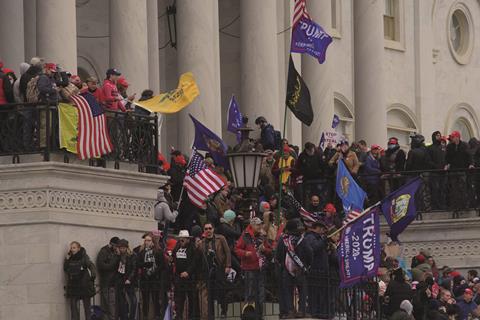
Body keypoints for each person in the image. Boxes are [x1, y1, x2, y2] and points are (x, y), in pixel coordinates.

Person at [235, 217, 272, 319]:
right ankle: (248, 316)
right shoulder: (245, 236)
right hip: (248, 268)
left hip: (261, 268)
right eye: (258, 224)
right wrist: (245, 253)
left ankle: (259, 316)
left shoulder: (263, 236)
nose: (260, 226)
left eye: (261, 224)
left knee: (261, 293)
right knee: (249, 293)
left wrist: (265, 249)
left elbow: (270, 250)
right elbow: (237, 249)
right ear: (252, 225)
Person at [199, 223, 232, 319]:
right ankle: (211, 314)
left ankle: (223, 310)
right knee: (209, 292)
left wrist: (228, 265)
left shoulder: (220, 238)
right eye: (206, 229)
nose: (208, 230)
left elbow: (227, 252)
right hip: (208, 270)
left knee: (221, 290)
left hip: (219, 267)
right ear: (204, 230)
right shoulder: (202, 242)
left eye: (210, 228)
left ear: (213, 229)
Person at [64, 241, 96, 320]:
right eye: (71, 248)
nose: (72, 249)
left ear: (78, 248)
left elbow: (91, 266)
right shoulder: (70, 258)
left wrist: (92, 277)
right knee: (74, 307)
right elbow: (65, 269)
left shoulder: (84, 256)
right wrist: (67, 260)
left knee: (87, 307)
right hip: (74, 285)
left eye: (74, 247)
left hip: (84, 284)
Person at [304, 220, 329, 318]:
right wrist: (323, 241)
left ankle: (320, 312)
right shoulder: (310, 237)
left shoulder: (319, 238)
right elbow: (314, 248)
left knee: (321, 294)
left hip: (322, 270)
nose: (323, 230)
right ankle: (314, 312)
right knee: (314, 294)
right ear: (317, 228)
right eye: (321, 228)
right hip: (315, 270)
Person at [445, 131, 474, 214]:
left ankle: (465, 206)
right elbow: (447, 157)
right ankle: (456, 207)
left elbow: (469, 156)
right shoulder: (449, 146)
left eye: (453, 137)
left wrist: (471, 164)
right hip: (453, 170)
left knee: (463, 188)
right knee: (454, 189)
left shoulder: (464, 145)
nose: (452, 139)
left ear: (457, 137)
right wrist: (446, 165)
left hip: (462, 170)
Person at [173, 230, 200, 319]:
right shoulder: (177, 247)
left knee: (192, 299)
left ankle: (192, 317)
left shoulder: (192, 248)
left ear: (188, 239)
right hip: (179, 277)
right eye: (180, 238)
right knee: (179, 300)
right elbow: (174, 257)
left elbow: (195, 262)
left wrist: (188, 272)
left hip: (190, 278)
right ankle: (179, 316)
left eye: (183, 238)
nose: (181, 240)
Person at [136, 232, 164, 320]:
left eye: (148, 240)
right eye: (145, 240)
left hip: (155, 278)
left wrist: (154, 272)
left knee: (155, 299)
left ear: (152, 241)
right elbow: (138, 264)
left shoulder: (158, 251)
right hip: (145, 278)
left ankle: (157, 316)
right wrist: (145, 265)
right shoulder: (142, 252)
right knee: (145, 300)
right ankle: (145, 316)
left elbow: (162, 265)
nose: (146, 242)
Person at [97, 237, 121, 320]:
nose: (117, 248)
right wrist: (116, 258)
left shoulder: (116, 253)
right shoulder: (104, 251)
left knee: (112, 305)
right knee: (109, 305)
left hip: (114, 282)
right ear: (112, 244)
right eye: (116, 246)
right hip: (107, 282)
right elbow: (103, 266)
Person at [115, 239, 137, 320]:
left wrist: (129, 279)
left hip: (129, 281)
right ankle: (124, 317)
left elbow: (134, 269)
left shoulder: (132, 256)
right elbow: (116, 269)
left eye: (123, 248)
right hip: (120, 280)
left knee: (133, 300)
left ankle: (132, 317)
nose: (121, 249)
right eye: (120, 248)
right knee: (122, 301)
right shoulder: (118, 256)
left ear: (127, 248)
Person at [428, 131, 447, 210]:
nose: (439, 137)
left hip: (443, 172)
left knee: (442, 189)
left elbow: (445, 158)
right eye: (437, 135)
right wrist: (437, 167)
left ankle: (442, 204)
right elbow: (428, 161)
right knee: (435, 189)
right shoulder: (430, 148)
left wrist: (445, 165)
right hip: (434, 172)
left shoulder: (442, 147)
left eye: (440, 135)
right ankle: (435, 205)